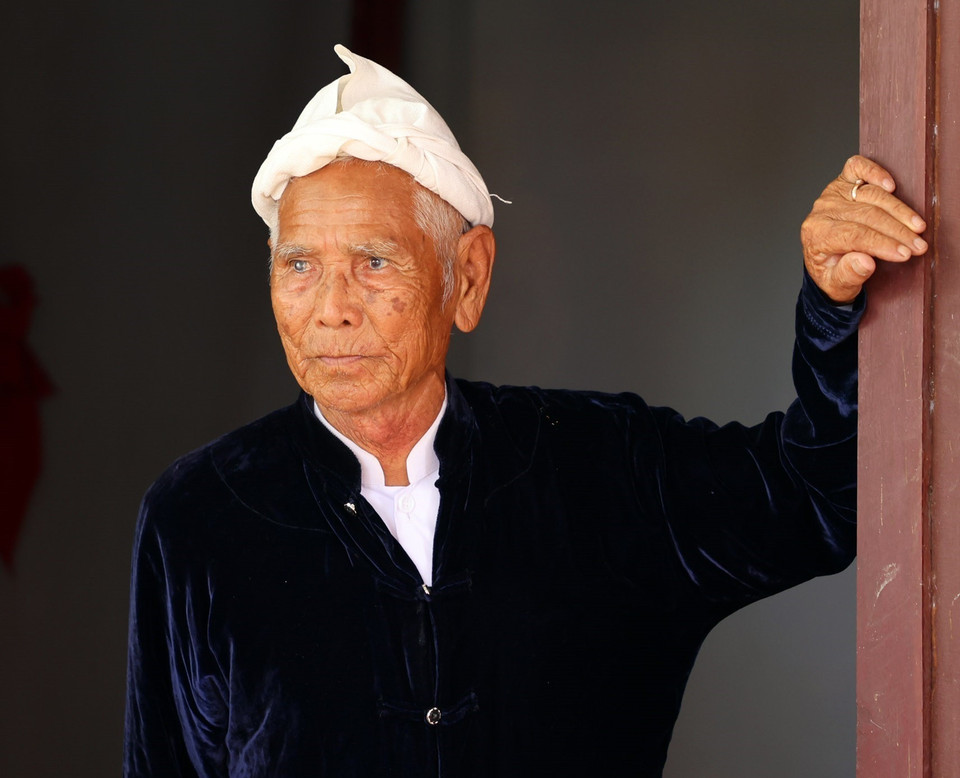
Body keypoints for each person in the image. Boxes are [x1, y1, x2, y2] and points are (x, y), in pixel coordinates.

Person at [123, 45, 927, 777]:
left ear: (466, 278)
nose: (330, 309)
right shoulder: (199, 516)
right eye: (298, 264)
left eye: (374, 262)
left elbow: (824, 495)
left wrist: (831, 303)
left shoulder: (605, 470)